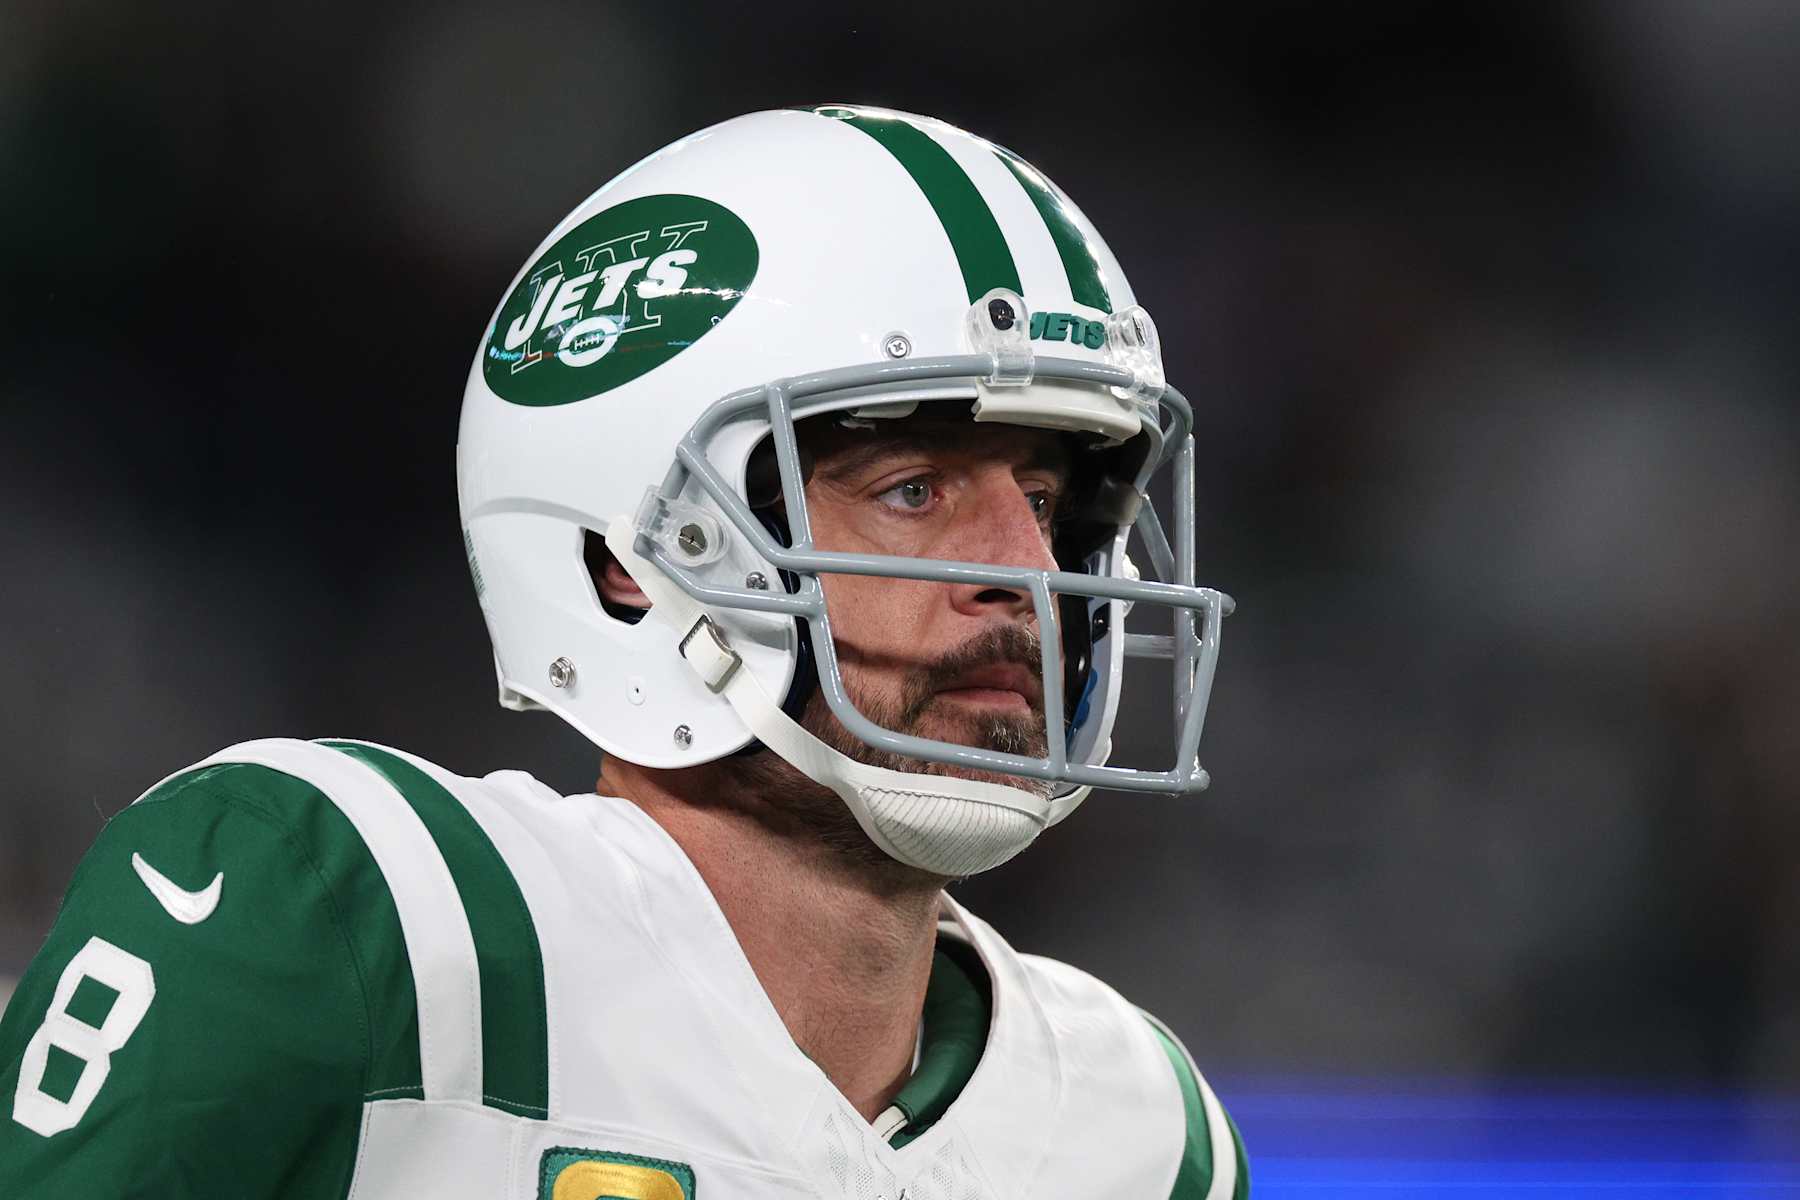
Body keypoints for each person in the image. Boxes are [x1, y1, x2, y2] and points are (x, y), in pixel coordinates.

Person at [0, 105, 1245, 1198]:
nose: (1026, 572)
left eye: (1044, 496)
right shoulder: (349, 919)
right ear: (627, 561)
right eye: (914, 488)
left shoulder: (1141, 1132)